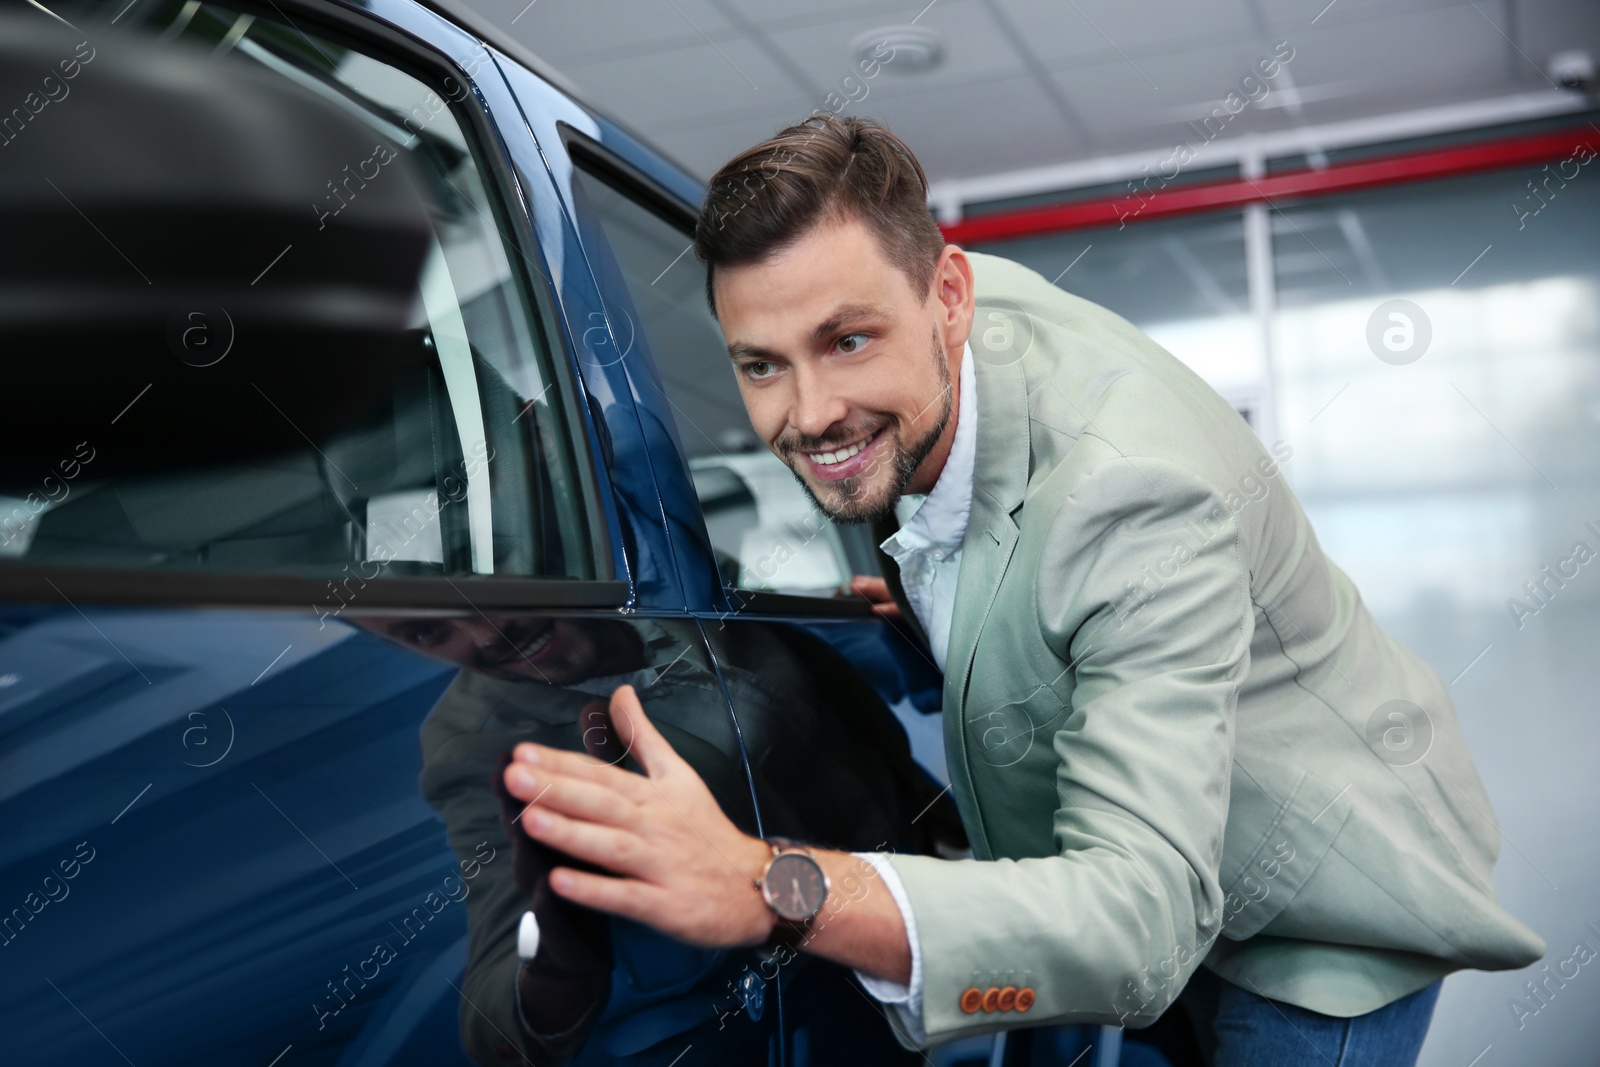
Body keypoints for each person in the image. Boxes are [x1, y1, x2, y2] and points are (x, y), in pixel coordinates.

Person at [498, 114, 1545, 1064]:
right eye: (760, 364)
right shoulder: (912, 344)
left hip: (1320, 905)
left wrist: (769, 884)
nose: (810, 413)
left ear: (948, 298)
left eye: (846, 341)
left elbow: (1136, 925)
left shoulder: (1135, 497)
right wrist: (943, 595)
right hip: (1160, 860)